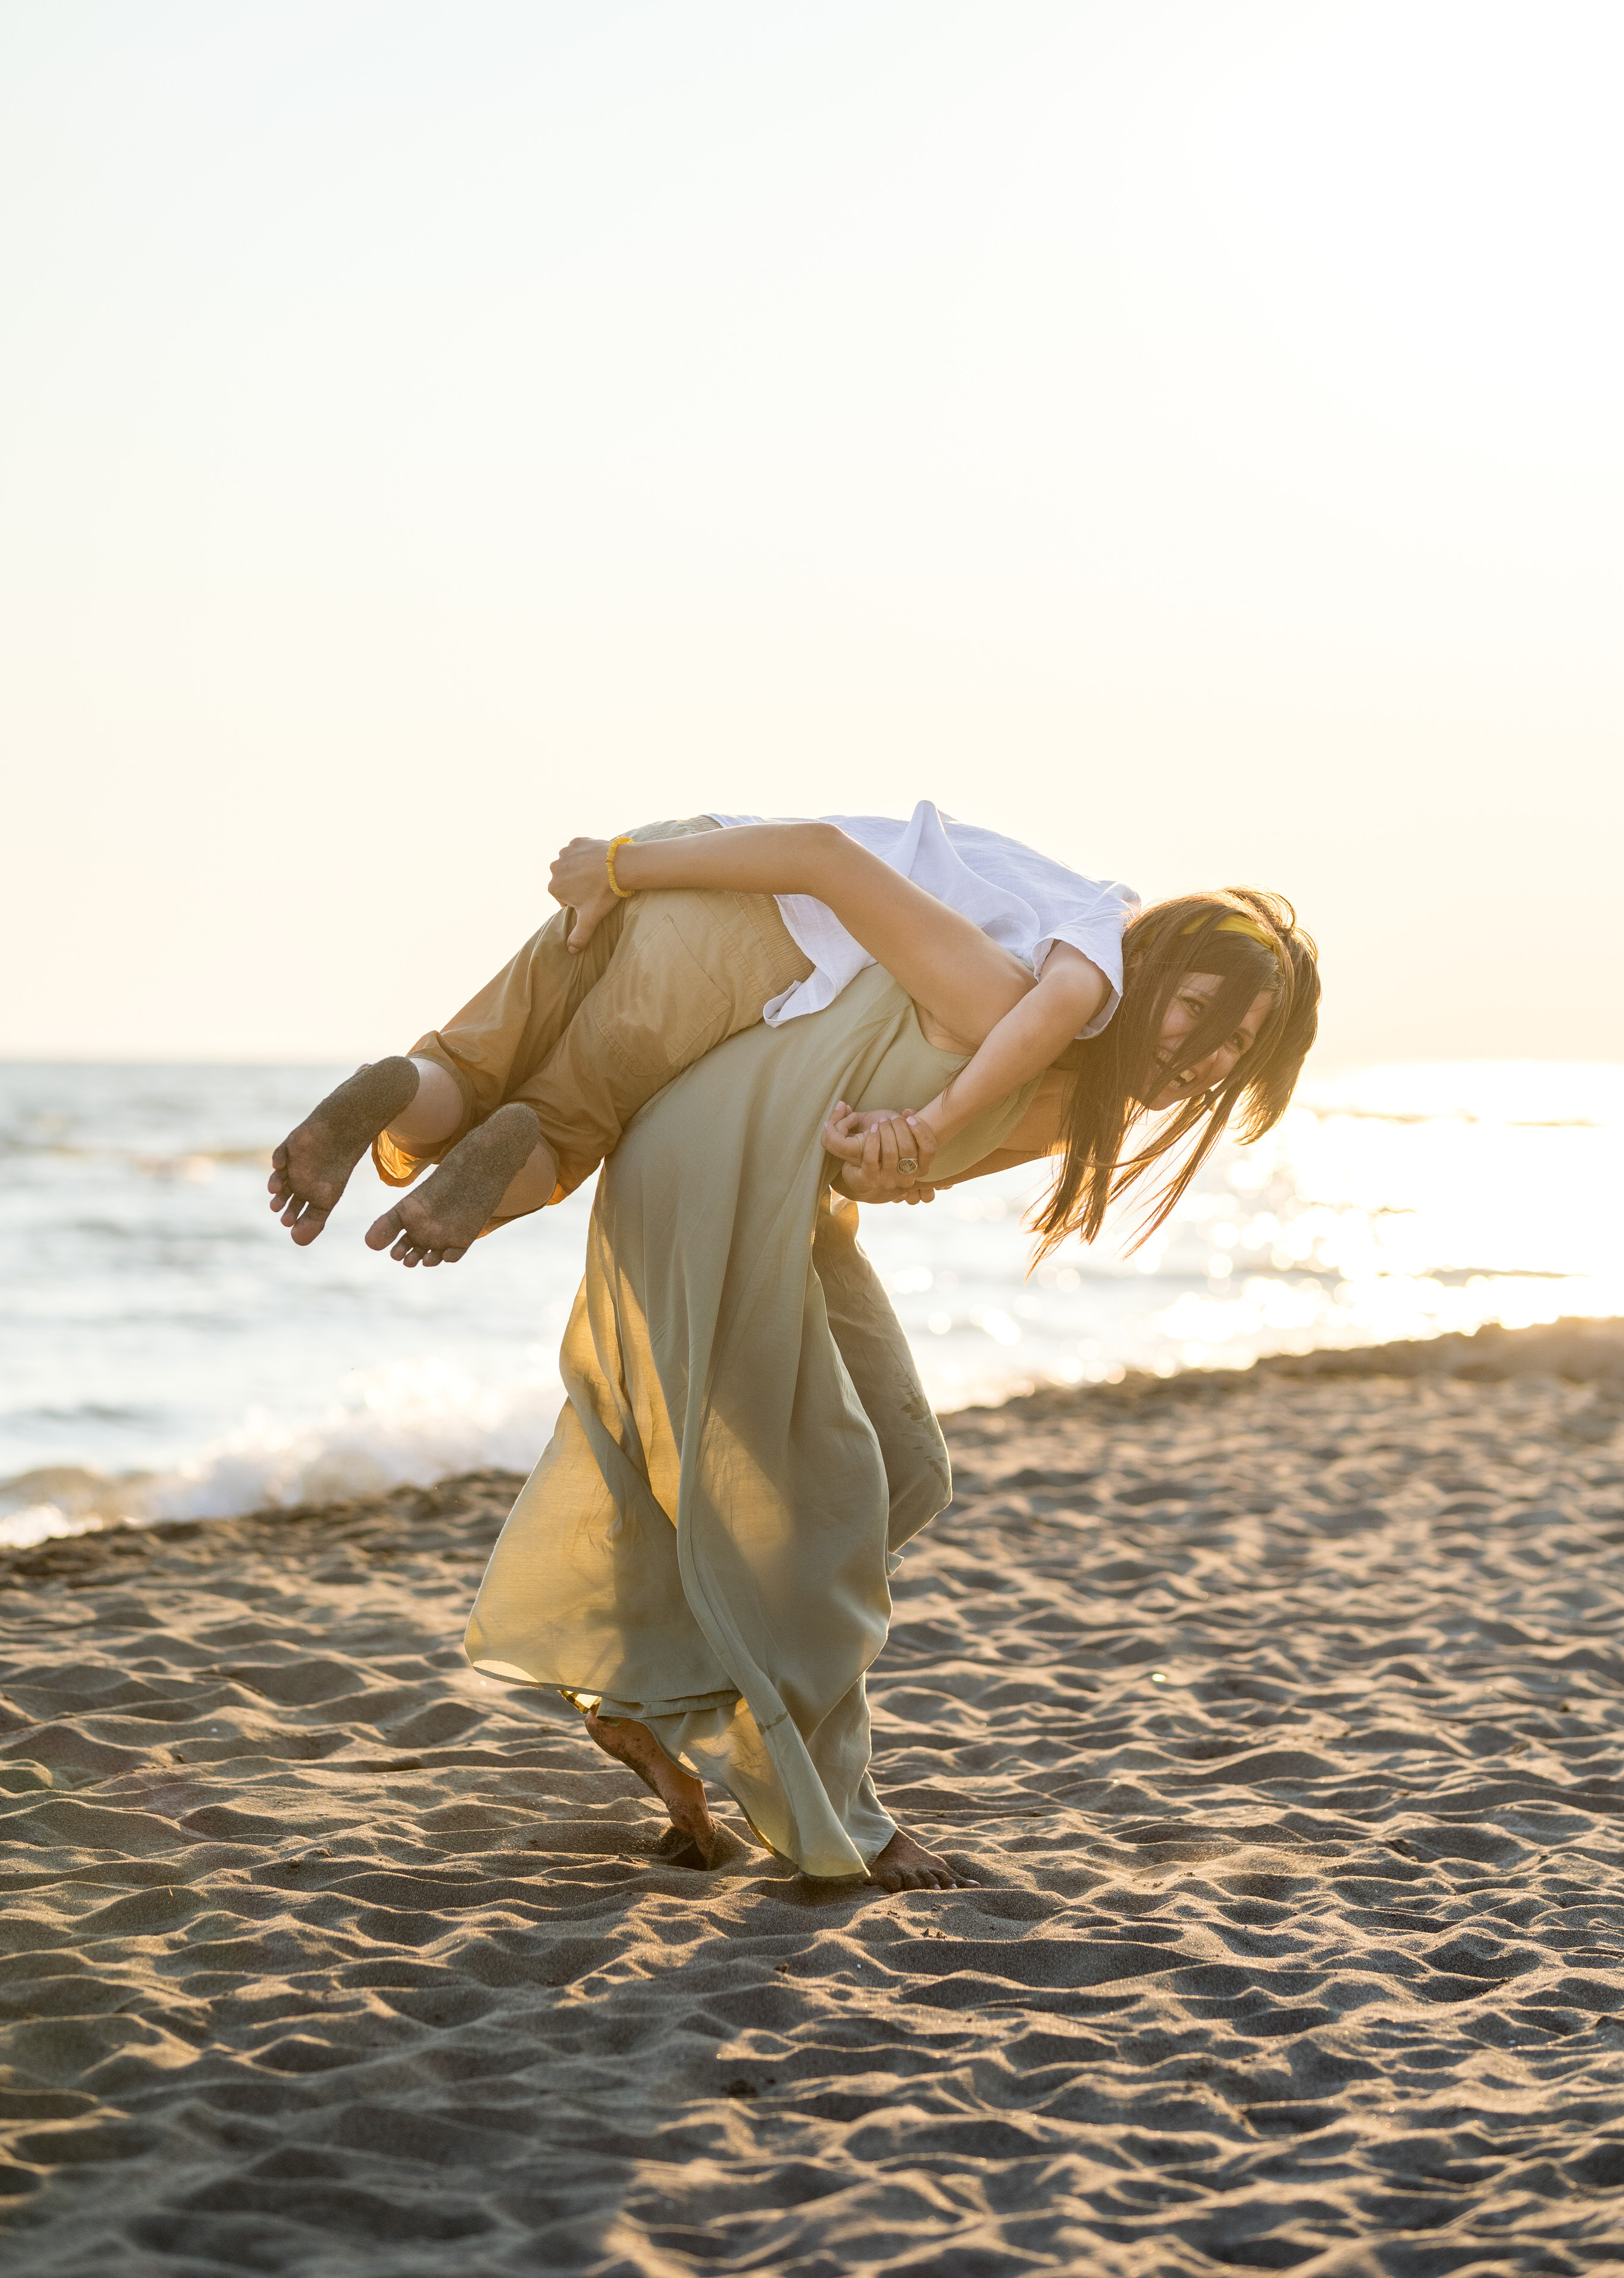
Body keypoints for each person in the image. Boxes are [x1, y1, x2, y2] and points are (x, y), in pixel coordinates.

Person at [461, 888, 1319, 1890]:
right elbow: (830, 861)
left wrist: (887, 1160)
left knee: (906, 1470)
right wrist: (625, 865)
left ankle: (642, 1694)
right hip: (716, 1159)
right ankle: (842, 1820)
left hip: (793, 1190)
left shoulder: (1086, 1102)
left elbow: (893, 1170)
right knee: (830, 1499)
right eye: (1197, 1008)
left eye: (1237, 1043)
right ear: (1148, 974)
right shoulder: (1008, 990)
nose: (1206, 1052)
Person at [266, 805, 1139, 1262]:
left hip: (690, 845)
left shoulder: (1051, 889)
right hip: (748, 930)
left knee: (464, 1063)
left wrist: (618, 864)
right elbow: (825, 860)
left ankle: (397, 1087)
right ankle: (500, 1157)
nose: (1191, 1060)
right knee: (562, 1127)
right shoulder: (1106, 938)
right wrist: (932, 1131)